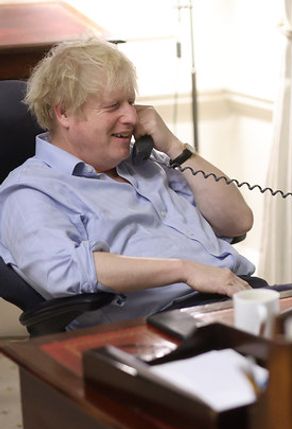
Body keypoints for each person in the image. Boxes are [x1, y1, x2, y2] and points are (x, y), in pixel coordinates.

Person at [0, 38, 260, 329]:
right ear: (64, 113)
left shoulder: (146, 165)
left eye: (131, 103)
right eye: (113, 106)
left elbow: (238, 221)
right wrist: (185, 270)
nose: (132, 116)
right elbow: (63, 270)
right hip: (168, 320)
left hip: (245, 295)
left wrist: (175, 147)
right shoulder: (30, 191)